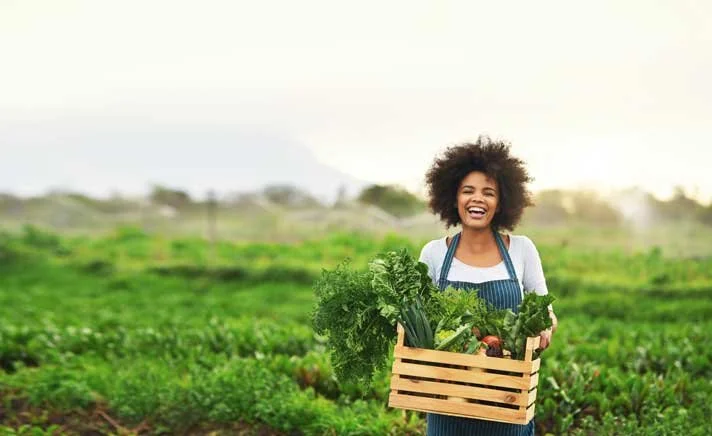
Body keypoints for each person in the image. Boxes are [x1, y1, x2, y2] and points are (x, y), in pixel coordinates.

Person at [418, 136, 558, 436]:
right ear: (453, 198)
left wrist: (547, 323)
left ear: (502, 201)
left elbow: (543, 305)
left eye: (488, 192)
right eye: (467, 191)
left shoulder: (522, 249)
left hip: (507, 400)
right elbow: (419, 319)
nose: (477, 199)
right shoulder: (433, 253)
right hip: (448, 405)